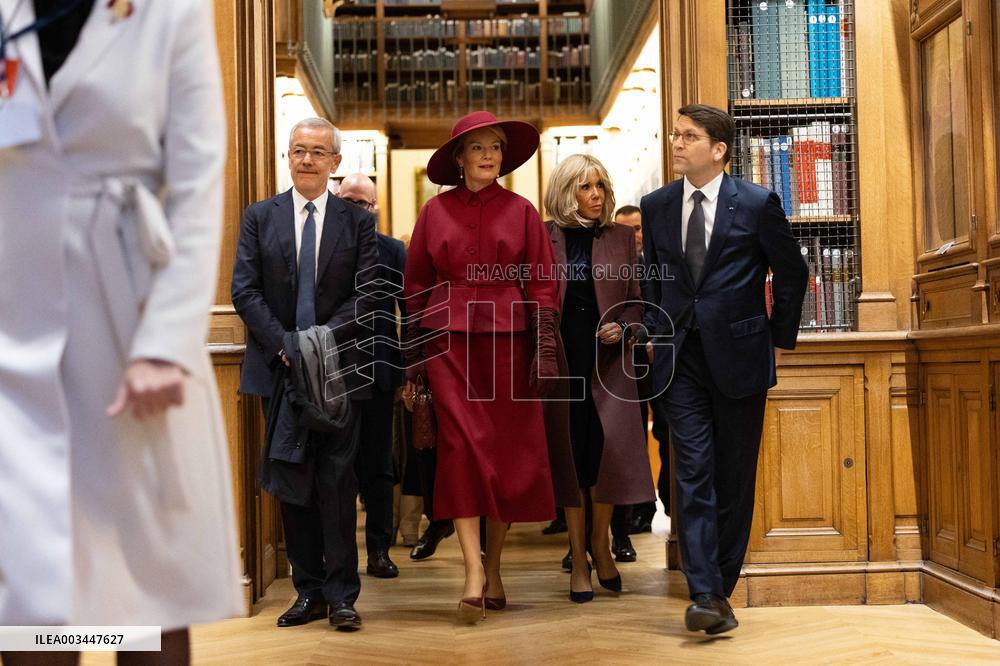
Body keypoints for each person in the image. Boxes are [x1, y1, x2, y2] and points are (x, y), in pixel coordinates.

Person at [0, 1, 242, 663]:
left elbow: (196, 189)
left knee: (138, 588)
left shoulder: (170, 14)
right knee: (28, 594)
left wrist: (164, 340)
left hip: (124, 319)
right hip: (12, 326)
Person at [640, 104, 808, 634]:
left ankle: (722, 587)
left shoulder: (757, 203)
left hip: (740, 358)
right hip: (679, 360)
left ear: (719, 149)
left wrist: (779, 338)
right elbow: (652, 275)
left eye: (689, 136)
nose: (677, 143)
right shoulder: (657, 204)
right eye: (675, 134)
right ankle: (705, 592)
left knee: (733, 478)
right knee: (691, 473)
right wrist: (652, 327)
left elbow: (792, 270)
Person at [402, 111, 561, 624]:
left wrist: (545, 348)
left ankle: (494, 567)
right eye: (478, 147)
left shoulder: (523, 212)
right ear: (459, 158)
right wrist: (415, 359)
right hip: (447, 342)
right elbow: (414, 287)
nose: (489, 155)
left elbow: (541, 283)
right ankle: (472, 571)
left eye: (495, 146)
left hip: (510, 344)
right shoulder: (434, 211)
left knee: (506, 458)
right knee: (461, 449)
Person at [232, 118, 378, 631]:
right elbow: (243, 291)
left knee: (337, 486)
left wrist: (316, 344)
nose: (307, 160)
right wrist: (287, 346)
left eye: (318, 153)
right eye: (298, 151)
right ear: (287, 157)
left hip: (339, 370)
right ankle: (308, 591)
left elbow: (367, 295)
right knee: (292, 485)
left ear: (335, 163)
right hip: (278, 371)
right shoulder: (259, 216)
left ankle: (342, 596)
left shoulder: (356, 222)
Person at [542, 154, 655, 603]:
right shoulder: (542, 237)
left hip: (609, 365)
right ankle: (577, 556)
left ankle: (601, 545)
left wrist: (625, 327)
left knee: (606, 459)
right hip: (560, 364)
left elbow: (637, 302)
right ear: (565, 192)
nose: (595, 195)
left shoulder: (621, 238)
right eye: (585, 187)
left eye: (600, 187)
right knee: (571, 461)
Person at [337, 173, 405, 579]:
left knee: (379, 468)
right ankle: (341, 553)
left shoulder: (393, 250)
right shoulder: (322, 246)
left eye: (363, 203)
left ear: (375, 208)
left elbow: (409, 310)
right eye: (348, 200)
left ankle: (379, 550)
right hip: (335, 372)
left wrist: (412, 368)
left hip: (380, 370)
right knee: (338, 469)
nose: (356, 209)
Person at [613, 204, 671, 539]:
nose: (632, 236)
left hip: (660, 358)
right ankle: (638, 508)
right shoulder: (613, 266)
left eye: (636, 229)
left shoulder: (659, 261)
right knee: (631, 434)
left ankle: (664, 504)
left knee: (665, 431)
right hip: (626, 361)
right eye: (626, 230)